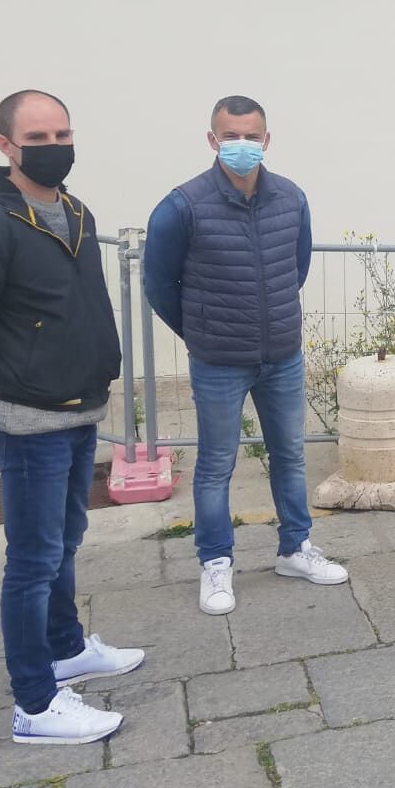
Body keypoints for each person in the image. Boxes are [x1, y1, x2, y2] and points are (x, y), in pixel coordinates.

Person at [0, 90, 141, 745]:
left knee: (65, 541)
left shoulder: (72, 210)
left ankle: (65, 647)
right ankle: (35, 704)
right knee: (32, 560)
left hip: (79, 412)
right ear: (5, 146)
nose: (55, 147)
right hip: (27, 422)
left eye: (63, 134)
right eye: (39, 137)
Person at [143, 96, 347, 616]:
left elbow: (293, 269)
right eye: (230, 136)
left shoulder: (291, 198)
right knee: (216, 465)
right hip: (218, 360)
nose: (241, 145)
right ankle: (216, 563)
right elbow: (159, 283)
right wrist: (202, 331)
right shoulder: (182, 206)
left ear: (267, 140)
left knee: (291, 456)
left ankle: (295, 549)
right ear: (212, 140)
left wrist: (270, 320)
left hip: (281, 354)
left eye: (251, 136)